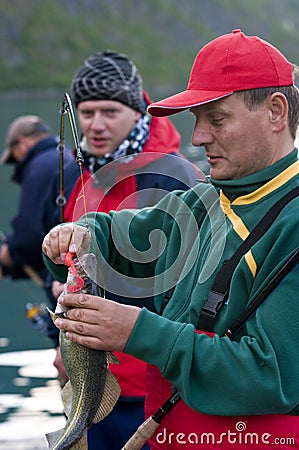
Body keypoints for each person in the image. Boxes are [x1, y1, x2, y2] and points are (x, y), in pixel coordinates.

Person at [42, 29, 299, 450]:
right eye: (195, 120)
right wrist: (77, 237)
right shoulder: (202, 200)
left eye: (216, 119)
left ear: (276, 112)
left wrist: (136, 331)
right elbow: (115, 239)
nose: (197, 137)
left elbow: (270, 376)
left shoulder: (292, 223)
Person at [49, 50, 201, 450]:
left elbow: (185, 289)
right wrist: (60, 339)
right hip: (84, 372)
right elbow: (61, 267)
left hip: (153, 387)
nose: (96, 125)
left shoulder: (173, 178)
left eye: (110, 111)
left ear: (137, 111)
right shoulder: (74, 173)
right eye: (86, 112)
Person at [0, 115, 78, 284]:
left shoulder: (38, 167)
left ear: (23, 143)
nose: (18, 161)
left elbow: (29, 233)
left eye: (15, 155)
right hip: (75, 258)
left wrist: (9, 255)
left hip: (59, 271)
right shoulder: (66, 155)